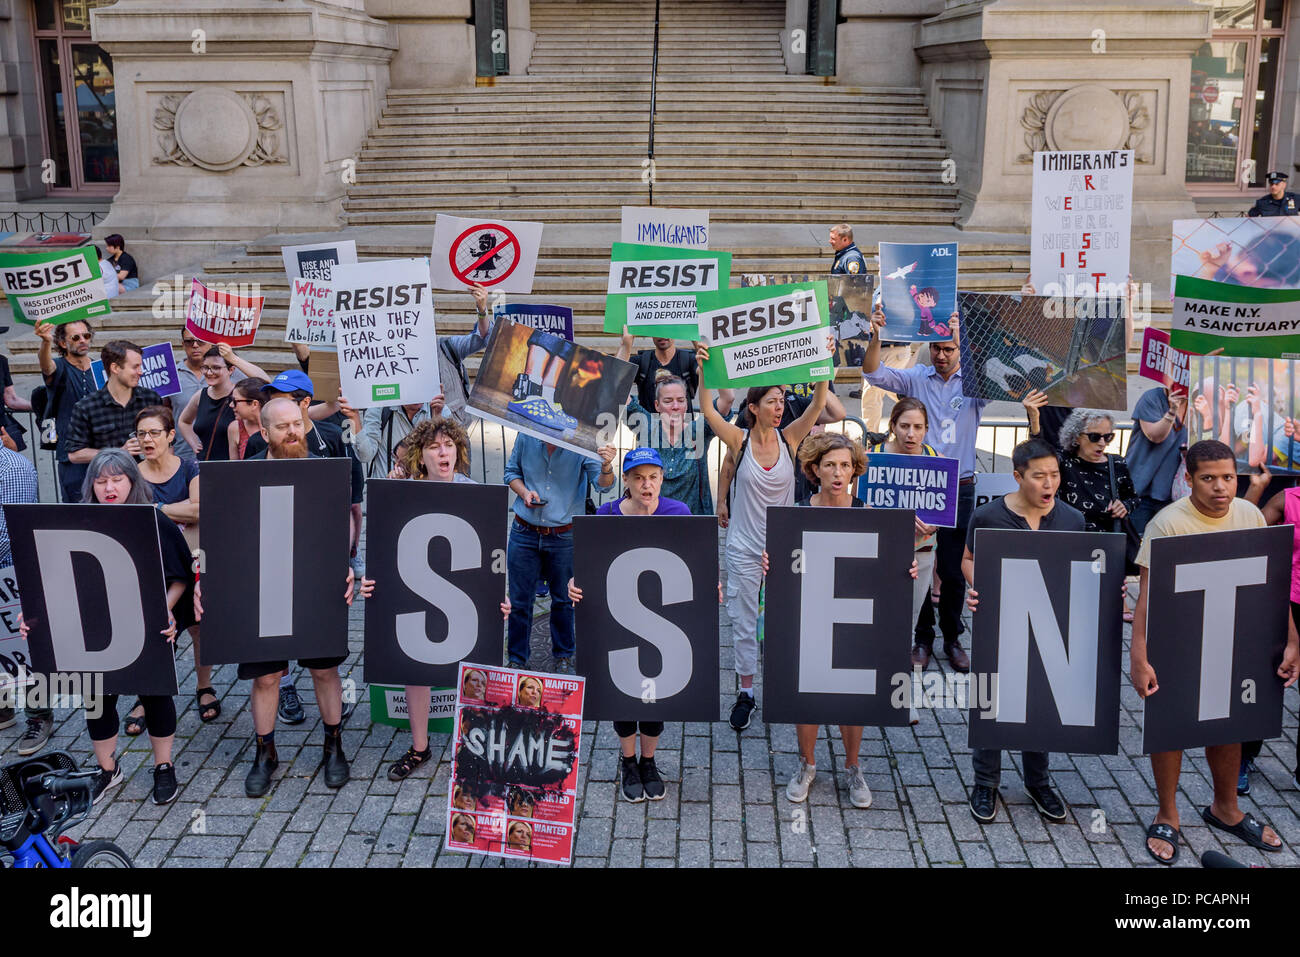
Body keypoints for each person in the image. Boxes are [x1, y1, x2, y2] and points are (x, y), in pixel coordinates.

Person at [1130, 440, 1299, 864]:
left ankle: (1226, 809)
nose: (1221, 487)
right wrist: (1138, 655)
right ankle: (1168, 813)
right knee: (1171, 724)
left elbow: (1272, 585)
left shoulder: (1249, 514)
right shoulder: (1167, 524)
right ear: (1188, 480)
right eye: (1208, 478)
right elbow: (1146, 598)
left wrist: (1292, 639)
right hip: (1178, 636)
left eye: (1228, 477)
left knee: (1229, 722)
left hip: (1235, 633)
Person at [209, 396, 373, 797]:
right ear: (264, 432)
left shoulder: (325, 470)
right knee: (266, 677)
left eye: (297, 423)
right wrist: (208, 582)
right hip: (262, 587)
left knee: (324, 670)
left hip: (316, 584)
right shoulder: (242, 475)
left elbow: (344, 526)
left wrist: (350, 567)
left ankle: (333, 745)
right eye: (282, 426)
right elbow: (223, 538)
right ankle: (265, 752)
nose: (293, 431)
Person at [19, 450, 194, 805]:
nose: (109, 487)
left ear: (133, 481)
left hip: (148, 626)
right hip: (93, 629)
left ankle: (164, 766)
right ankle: (107, 769)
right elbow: (50, 576)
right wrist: (36, 615)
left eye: (117, 479)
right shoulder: (76, 521)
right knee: (97, 699)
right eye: (101, 481)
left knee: (156, 696)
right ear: (91, 485)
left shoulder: (153, 520)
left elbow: (180, 576)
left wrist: (166, 610)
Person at [699, 339, 832, 731]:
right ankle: (747, 693)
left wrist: (823, 358)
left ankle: (787, 683)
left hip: (783, 550)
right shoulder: (738, 441)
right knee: (742, 623)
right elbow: (708, 410)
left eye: (782, 400)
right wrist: (706, 369)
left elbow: (818, 404)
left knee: (786, 620)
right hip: (742, 547)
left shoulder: (790, 439)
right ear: (753, 407)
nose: (779, 407)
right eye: (772, 401)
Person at [569, 448, 705, 800]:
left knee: (656, 696)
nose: (647, 485)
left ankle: (648, 761)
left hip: (663, 617)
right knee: (623, 694)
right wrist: (575, 583)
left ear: (662, 479)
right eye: (639, 478)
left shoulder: (680, 512)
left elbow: (695, 563)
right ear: (626, 482)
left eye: (653, 477)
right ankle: (628, 760)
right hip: (619, 615)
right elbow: (588, 566)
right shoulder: (606, 514)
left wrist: (708, 585)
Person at [962, 439, 1082, 824]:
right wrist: (977, 587)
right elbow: (968, 560)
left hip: (1050, 629)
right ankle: (986, 782)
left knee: (1041, 699)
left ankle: (1038, 781)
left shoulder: (1072, 520)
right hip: (999, 625)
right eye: (1039, 477)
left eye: (1055, 475)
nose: (1050, 484)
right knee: (991, 700)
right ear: (1017, 477)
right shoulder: (988, 516)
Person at [385, 418, 509, 783]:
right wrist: (374, 586)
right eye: (435, 447)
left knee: (473, 665)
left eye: (450, 445)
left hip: (464, 588)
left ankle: (473, 745)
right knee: (416, 668)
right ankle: (420, 747)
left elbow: (494, 551)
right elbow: (384, 549)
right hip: (417, 587)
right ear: (421, 457)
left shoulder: (475, 491)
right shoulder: (404, 492)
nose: (444, 452)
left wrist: (499, 592)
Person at [863, 301, 981, 672]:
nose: (942, 355)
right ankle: (922, 639)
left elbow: (1005, 378)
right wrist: (876, 336)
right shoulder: (916, 377)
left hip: (958, 485)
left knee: (952, 567)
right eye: (937, 348)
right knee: (919, 565)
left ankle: (953, 638)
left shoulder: (975, 384)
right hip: (917, 483)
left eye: (949, 349)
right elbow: (873, 373)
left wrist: (965, 337)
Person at [781, 432, 875, 809]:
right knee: (809, 693)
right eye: (831, 465)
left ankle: (853, 767)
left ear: (855, 471)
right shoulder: (798, 511)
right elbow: (790, 562)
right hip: (812, 611)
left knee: (851, 695)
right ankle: (807, 764)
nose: (839, 472)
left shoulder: (866, 512)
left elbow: (882, 565)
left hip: (853, 614)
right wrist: (777, 564)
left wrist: (908, 567)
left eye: (846, 466)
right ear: (814, 469)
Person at [503, 433, 616, 674]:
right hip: (524, 530)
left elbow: (603, 485)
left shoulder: (583, 440)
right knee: (520, 600)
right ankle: (516, 658)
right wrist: (524, 493)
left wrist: (606, 466)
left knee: (564, 600)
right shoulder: (526, 435)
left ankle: (564, 656)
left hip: (564, 535)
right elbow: (511, 473)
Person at [133, 406, 217, 724]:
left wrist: (155, 508)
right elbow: (131, 516)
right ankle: (147, 695)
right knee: (153, 629)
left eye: (154, 432)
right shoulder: (132, 473)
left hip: (193, 559)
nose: (147, 439)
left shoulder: (188, 467)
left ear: (170, 435)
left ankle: (204, 686)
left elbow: (201, 510)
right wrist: (178, 509)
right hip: (150, 564)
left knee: (198, 626)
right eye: (141, 433)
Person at [869, 398, 943, 669]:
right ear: (892, 426)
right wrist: (898, 519)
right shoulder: (873, 455)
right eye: (904, 426)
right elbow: (861, 507)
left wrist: (936, 523)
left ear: (926, 429)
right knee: (877, 611)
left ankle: (896, 671)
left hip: (921, 551)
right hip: (881, 550)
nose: (911, 433)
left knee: (910, 615)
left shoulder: (935, 459)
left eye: (918, 427)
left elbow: (943, 510)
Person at [1241, 471, 1300, 795]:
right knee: (1263, 683)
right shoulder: (1289, 500)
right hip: (1285, 603)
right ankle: (1243, 757)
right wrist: (1257, 488)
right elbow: (1246, 533)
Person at [1056, 408, 1139, 620]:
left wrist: (1124, 506)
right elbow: (1036, 452)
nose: (1102, 443)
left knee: (1104, 608)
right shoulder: (1063, 462)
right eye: (1095, 437)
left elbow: (1134, 497)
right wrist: (1035, 419)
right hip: (1073, 539)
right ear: (1076, 437)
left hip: (1107, 541)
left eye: (1108, 436)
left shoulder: (1116, 463)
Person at [830, 223, 914, 431]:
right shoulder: (883, 289)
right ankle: (918, 414)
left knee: (872, 394)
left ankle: (870, 436)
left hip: (891, 349)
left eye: (882, 265)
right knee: (892, 392)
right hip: (883, 349)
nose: (879, 268)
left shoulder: (896, 291)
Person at [623, 373, 732, 515]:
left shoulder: (698, 431)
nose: (675, 406)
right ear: (657, 405)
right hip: (651, 523)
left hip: (693, 525)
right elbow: (619, 386)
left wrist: (708, 367)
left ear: (686, 404)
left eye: (681, 400)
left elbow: (728, 398)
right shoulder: (647, 427)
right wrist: (625, 349)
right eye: (668, 401)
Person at [65, 340, 163, 469]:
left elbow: (169, 443)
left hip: (149, 480)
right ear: (115, 368)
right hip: (109, 482)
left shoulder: (151, 399)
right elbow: (74, 454)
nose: (141, 372)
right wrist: (118, 452)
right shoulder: (86, 407)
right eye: (135, 367)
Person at [0, 443, 40, 746]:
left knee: (25, 649)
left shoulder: (12, 469)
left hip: (13, 574)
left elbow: (8, 536)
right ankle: (3, 707)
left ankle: (38, 717)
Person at [35, 320, 96, 503]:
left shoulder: (100, 367)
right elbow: (46, 366)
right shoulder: (59, 367)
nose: (83, 340)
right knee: (76, 511)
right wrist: (46, 342)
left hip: (100, 451)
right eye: (75, 337)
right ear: (63, 343)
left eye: (86, 336)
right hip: (71, 456)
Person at [177, 345, 269, 462]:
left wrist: (233, 358)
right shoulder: (201, 395)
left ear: (231, 370)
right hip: (204, 465)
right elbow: (184, 421)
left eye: (216, 367)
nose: (209, 372)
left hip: (229, 467)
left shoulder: (239, 395)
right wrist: (194, 443)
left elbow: (265, 382)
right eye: (205, 367)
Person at [1123, 384, 1188, 536]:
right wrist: (1172, 411)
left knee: (1165, 547)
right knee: (1136, 547)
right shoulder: (1152, 398)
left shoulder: (1198, 401)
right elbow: (1155, 436)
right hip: (1140, 492)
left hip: (1174, 495)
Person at [616, 330, 699, 411]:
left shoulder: (689, 360)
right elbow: (615, 378)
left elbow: (707, 372)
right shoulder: (643, 361)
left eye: (667, 328)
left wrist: (696, 340)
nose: (662, 335)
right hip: (647, 423)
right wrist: (625, 345)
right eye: (657, 329)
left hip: (683, 423)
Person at [226, 376, 269, 460]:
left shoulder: (276, 427)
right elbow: (234, 468)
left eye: (235, 401)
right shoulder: (235, 428)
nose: (231, 405)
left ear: (254, 404)